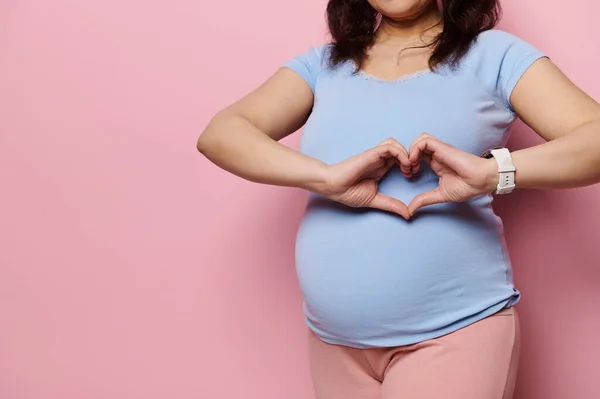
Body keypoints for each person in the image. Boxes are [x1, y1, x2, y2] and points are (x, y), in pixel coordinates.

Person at [197, 0, 600, 398]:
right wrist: (325, 178)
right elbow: (221, 135)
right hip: (334, 344)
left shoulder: (495, 56)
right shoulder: (323, 66)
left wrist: (493, 174)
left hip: (452, 335)